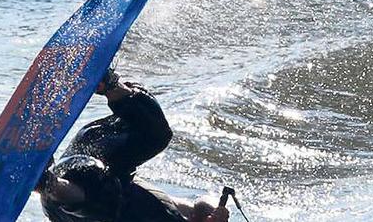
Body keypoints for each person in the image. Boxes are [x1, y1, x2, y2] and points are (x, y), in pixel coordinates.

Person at [34, 70, 230, 222]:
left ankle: (44, 182)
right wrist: (211, 211)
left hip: (69, 200)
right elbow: (198, 207)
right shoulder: (174, 214)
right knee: (157, 135)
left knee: (107, 198)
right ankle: (108, 84)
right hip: (95, 152)